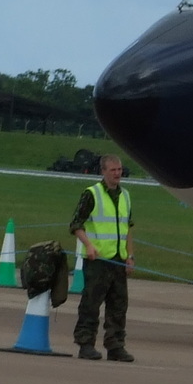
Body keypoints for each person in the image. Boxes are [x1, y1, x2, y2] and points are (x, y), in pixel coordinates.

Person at [69, 154, 135, 361]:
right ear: (103, 172)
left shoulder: (125, 195)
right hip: (97, 260)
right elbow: (76, 225)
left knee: (118, 305)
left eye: (119, 170)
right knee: (91, 303)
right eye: (113, 170)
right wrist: (88, 245)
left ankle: (115, 345)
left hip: (118, 259)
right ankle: (86, 343)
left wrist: (130, 255)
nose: (117, 174)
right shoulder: (91, 194)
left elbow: (127, 228)